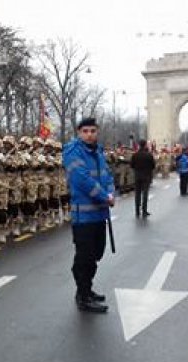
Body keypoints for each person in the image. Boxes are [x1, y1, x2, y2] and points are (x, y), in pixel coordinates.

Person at [62, 117, 114, 313]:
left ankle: (86, 289)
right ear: (79, 132)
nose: (90, 134)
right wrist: (104, 197)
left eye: (93, 131)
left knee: (97, 254)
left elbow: (108, 176)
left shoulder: (98, 152)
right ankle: (83, 295)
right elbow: (81, 180)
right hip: (83, 217)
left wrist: (111, 193)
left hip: (100, 215)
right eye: (86, 131)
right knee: (85, 257)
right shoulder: (73, 152)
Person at [130, 139, 155, 218]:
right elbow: (153, 166)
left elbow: (132, 165)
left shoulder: (135, 155)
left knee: (137, 194)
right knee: (145, 194)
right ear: (145, 145)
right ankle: (144, 211)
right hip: (146, 176)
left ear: (139, 145)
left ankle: (137, 211)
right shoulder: (149, 155)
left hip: (137, 176)